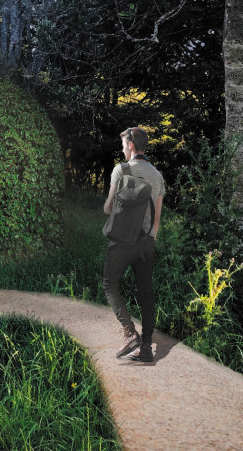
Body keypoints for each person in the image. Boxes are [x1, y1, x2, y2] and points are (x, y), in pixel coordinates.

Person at [103, 127, 165, 362]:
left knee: (109, 284)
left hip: (121, 242)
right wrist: (151, 237)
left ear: (130, 145)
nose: (122, 149)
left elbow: (109, 207)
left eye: (123, 145)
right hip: (146, 241)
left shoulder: (121, 170)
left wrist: (112, 206)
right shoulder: (157, 175)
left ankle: (130, 332)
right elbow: (157, 216)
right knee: (146, 293)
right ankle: (147, 348)